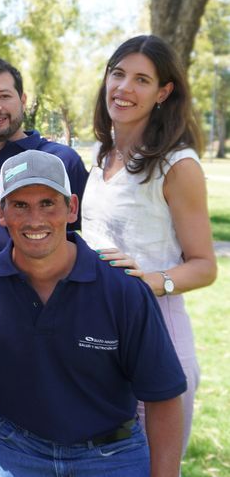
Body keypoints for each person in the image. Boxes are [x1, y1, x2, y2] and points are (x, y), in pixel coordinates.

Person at [0, 149, 187, 477]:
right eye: (20, 205)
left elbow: (164, 396)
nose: (35, 220)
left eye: (47, 203)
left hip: (112, 452)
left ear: (71, 208)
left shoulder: (122, 290)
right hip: (17, 448)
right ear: (1, 212)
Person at [81, 34, 217, 456]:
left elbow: (205, 265)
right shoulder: (103, 157)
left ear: (164, 92)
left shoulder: (178, 165)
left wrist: (150, 281)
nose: (124, 89)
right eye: (118, 74)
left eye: (142, 80)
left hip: (160, 340)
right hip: (104, 342)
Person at [0, 57, 88, 263]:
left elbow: (89, 233)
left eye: (4, 96)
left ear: (23, 100)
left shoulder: (62, 160)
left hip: (48, 289)